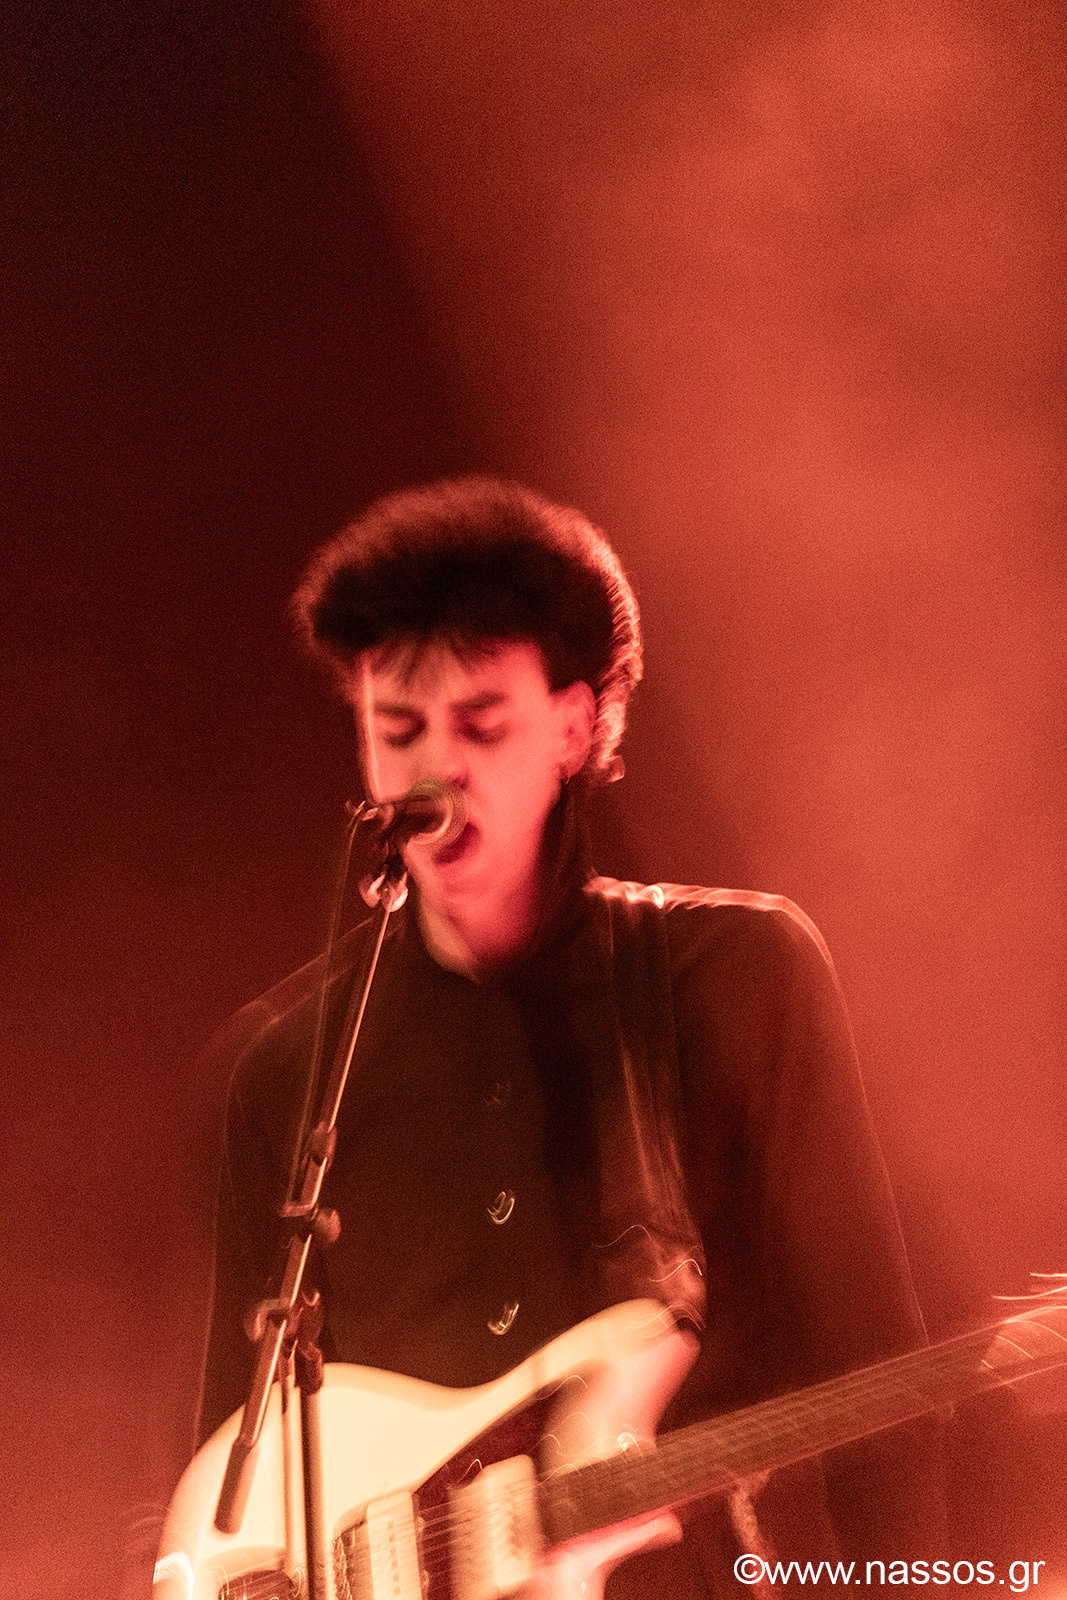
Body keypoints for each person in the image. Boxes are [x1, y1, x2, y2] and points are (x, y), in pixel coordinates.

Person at [194, 475, 943, 1594]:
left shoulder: (731, 977)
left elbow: (882, 1388)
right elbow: (226, 1489)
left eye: (479, 724)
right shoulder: (287, 1074)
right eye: (396, 729)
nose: (432, 771)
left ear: (574, 726)